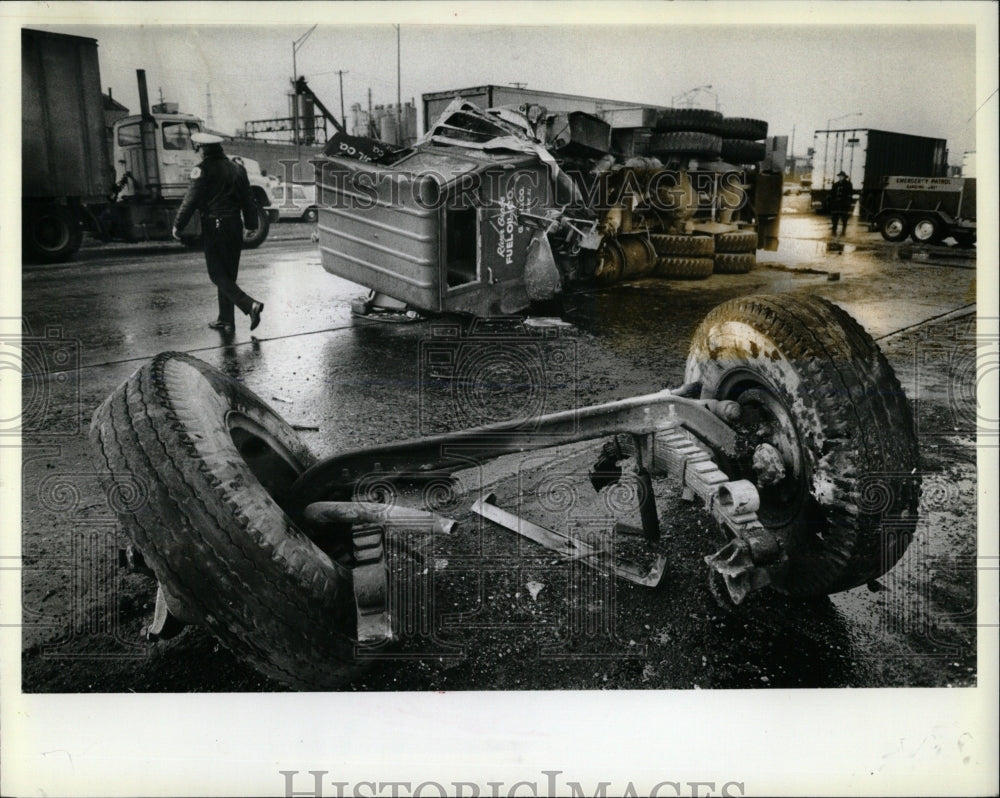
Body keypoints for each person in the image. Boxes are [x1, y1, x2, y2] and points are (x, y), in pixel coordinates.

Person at [172, 132, 263, 333]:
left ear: (202, 149)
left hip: (215, 225)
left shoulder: (202, 170)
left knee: (216, 274)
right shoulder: (237, 168)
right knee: (228, 275)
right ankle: (226, 319)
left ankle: (249, 306)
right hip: (234, 225)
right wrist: (251, 224)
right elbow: (248, 198)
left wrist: (178, 225)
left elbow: (190, 200)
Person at [828, 170, 854, 237]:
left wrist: (849, 202)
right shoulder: (836, 184)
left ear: (844, 177)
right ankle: (834, 230)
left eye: (841, 176)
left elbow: (850, 193)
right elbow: (832, 193)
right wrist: (831, 202)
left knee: (844, 218)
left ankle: (843, 230)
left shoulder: (848, 184)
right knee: (835, 218)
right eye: (839, 176)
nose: (840, 177)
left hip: (844, 204)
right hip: (836, 204)